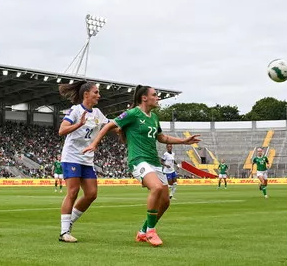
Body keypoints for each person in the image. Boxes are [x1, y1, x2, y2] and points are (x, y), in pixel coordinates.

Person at [84, 85, 200, 247]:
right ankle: (151, 232)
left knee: (165, 202)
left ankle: (143, 231)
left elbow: (162, 137)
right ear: (144, 98)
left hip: (154, 162)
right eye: (155, 95)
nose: (157, 97)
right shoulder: (133, 114)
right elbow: (110, 125)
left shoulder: (154, 117)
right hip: (138, 160)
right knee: (157, 188)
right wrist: (95, 143)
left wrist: (184, 141)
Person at [56, 81, 114, 243]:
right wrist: (79, 124)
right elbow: (62, 130)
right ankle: (64, 232)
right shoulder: (76, 110)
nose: (99, 95)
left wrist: (126, 126)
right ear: (86, 94)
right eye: (96, 92)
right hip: (72, 156)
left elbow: (110, 126)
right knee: (73, 192)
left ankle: (69, 223)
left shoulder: (97, 113)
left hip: (87, 159)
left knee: (91, 194)